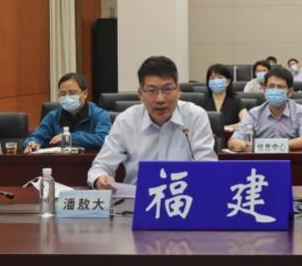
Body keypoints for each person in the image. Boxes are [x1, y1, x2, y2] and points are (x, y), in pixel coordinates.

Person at [87, 56, 216, 189]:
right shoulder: (126, 121)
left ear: (178, 90)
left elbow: (208, 167)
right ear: (140, 93)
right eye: (152, 91)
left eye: (167, 89)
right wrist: (100, 179)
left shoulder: (195, 117)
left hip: (185, 197)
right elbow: (100, 167)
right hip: (137, 197)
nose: (160, 99)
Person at [229, 66, 302, 151]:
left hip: (292, 158)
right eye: (271, 86)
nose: (275, 90)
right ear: (264, 89)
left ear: (290, 92)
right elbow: (233, 141)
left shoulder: (301, 112)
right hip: (262, 159)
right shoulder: (254, 113)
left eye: (280, 87)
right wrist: (244, 144)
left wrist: (267, 145)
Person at [24, 72, 111, 152]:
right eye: (63, 94)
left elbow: (104, 139)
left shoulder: (99, 114)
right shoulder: (53, 116)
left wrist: (70, 137)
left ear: (85, 94)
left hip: (89, 160)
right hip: (60, 161)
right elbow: (36, 136)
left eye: (72, 93)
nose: (67, 97)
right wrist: (32, 143)